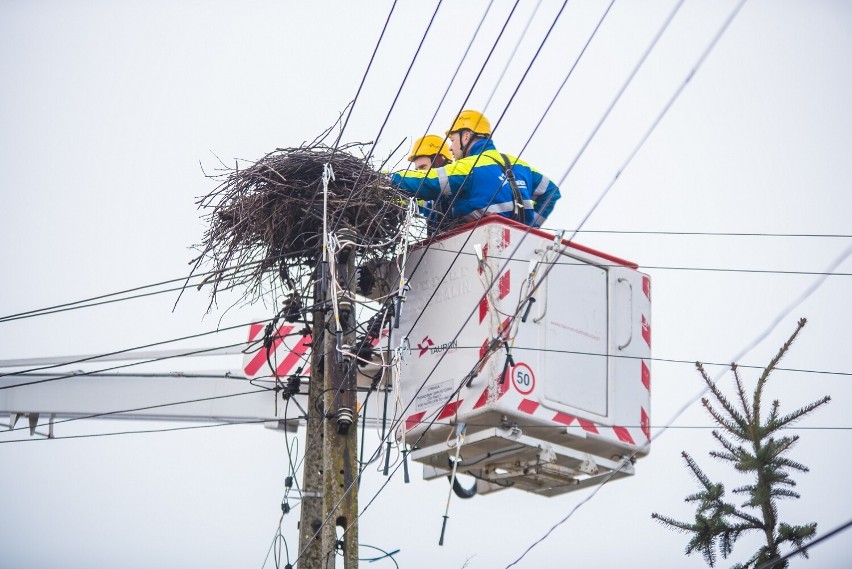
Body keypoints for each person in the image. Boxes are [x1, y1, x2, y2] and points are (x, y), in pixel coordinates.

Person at [390, 110, 560, 228]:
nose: (450, 148)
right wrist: (532, 227)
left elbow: (428, 182)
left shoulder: (469, 167)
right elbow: (551, 192)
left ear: (466, 136)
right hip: (521, 247)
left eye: (453, 140)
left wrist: (387, 178)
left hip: (478, 247)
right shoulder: (519, 164)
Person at [406, 134, 454, 229]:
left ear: (439, 162)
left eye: (423, 167)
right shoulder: (428, 200)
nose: (419, 174)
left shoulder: (459, 186)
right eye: (417, 170)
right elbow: (408, 201)